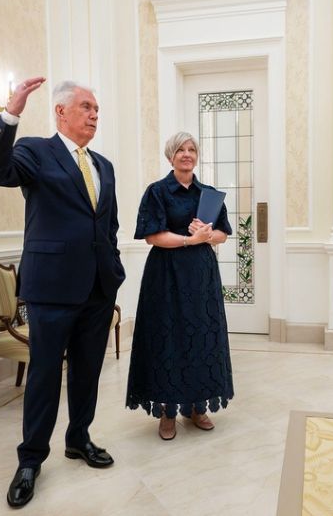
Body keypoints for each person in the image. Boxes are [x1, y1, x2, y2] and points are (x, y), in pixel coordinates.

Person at [0, 78, 125, 508]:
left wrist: (113, 268)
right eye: (86, 107)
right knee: (44, 375)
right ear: (61, 111)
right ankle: (30, 460)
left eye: (97, 109)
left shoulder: (104, 166)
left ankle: (79, 438)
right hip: (52, 288)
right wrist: (11, 114)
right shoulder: (37, 152)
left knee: (87, 371)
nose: (94, 115)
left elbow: (109, 225)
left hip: (98, 288)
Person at [126, 132, 234, 441]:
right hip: (166, 275)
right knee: (169, 339)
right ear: (170, 156)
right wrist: (190, 239)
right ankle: (168, 412)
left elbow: (223, 234)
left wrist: (207, 235)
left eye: (191, 149)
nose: (187, 154)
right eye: (180, 150)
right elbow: (152, 236)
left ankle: (197, 407)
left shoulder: (209, 194)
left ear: (196, 156)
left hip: (201, 276)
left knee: (201, 337)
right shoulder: (157, 192)